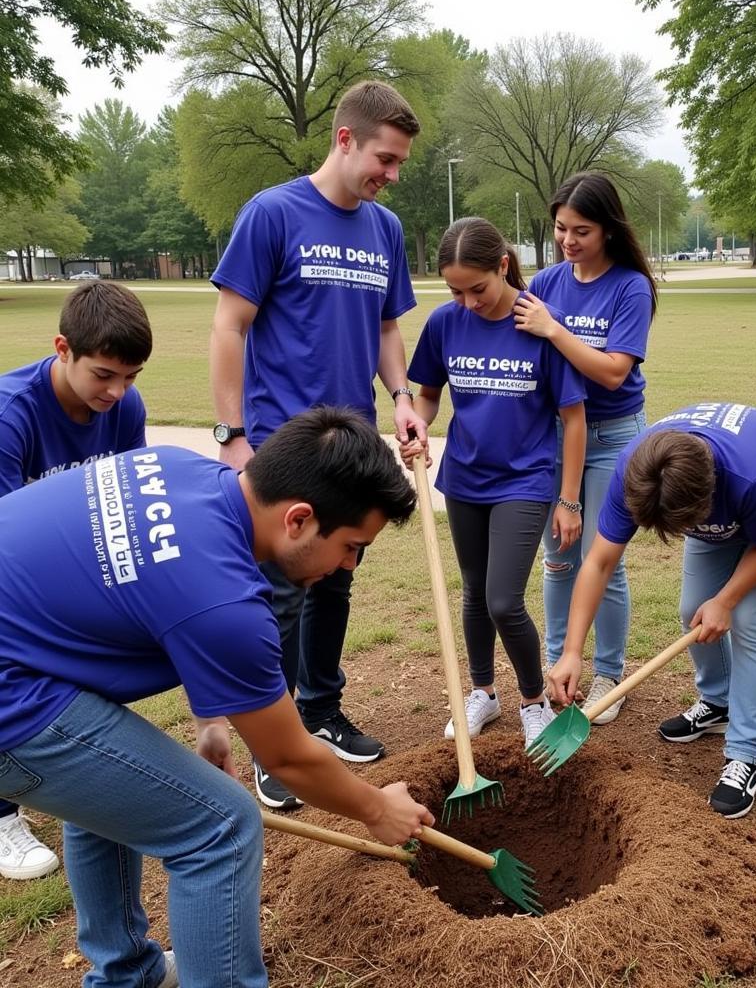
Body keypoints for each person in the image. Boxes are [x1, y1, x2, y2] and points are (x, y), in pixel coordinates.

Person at [0, 407, 433, 988]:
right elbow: (288, 760)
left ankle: (127, 974)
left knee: (109, 798)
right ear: (300, 519)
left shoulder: (179, 470)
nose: (348, 566)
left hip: (26, 653)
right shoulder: (229, 603)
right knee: (220, 828)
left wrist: (212, 722)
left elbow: (163, 596)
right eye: (352, 546)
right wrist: (378, 809)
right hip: (14, 695)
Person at [209, 80, 429, 808]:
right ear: (344, 139)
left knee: (335, 578)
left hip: (354, 446)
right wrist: (233, 434)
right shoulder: (273, 213)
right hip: (282, 447)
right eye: (384, 159)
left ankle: (321, 710)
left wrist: (400, 398)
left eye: (398, 164)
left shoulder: (384, 230)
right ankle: (276, 747)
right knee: (278, 598)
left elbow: (388, 328)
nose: (391, 176)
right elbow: (230, 325)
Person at [547, 403, 756, 818]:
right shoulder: (636, 471)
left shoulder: (751, 475)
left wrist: (727, 600)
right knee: (695, 610)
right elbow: (599, 562)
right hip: (718, 508)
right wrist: (571, 651)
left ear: (705, 497)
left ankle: (745, 754)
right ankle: (718, 703)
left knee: (751, 623)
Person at [400, 218, 586, 746]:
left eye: (477, 288)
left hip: (524, 481)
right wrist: (419, 420)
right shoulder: (445, 322)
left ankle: (533, 701)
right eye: (455, 291)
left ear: (503, 265)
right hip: (463, 476)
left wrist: (568, 500)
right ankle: (483, 692)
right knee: (475, 593)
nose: (468, 302)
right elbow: (428, 393)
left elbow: (574, 420)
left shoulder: (541, 324)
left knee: (505, 599)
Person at [0, 280, 152, 881]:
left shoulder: (125, 410)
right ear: (62, 348)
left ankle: (77, 796)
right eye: (104, 375)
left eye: (132, 377)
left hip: (69, 568)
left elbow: (128, 499)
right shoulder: (11, 415)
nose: (117, 393)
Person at [512, 172, 655, 724]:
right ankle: (556, 667)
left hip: (615, 435)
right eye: (561, 229)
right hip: (558, 436)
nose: (568, 240)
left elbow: (614, 373)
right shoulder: (547, 281)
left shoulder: (630, 287)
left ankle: (607, 676)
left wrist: (553, 328)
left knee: (605, 559)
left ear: (609, 230)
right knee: (558, 559)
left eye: (581, 230)